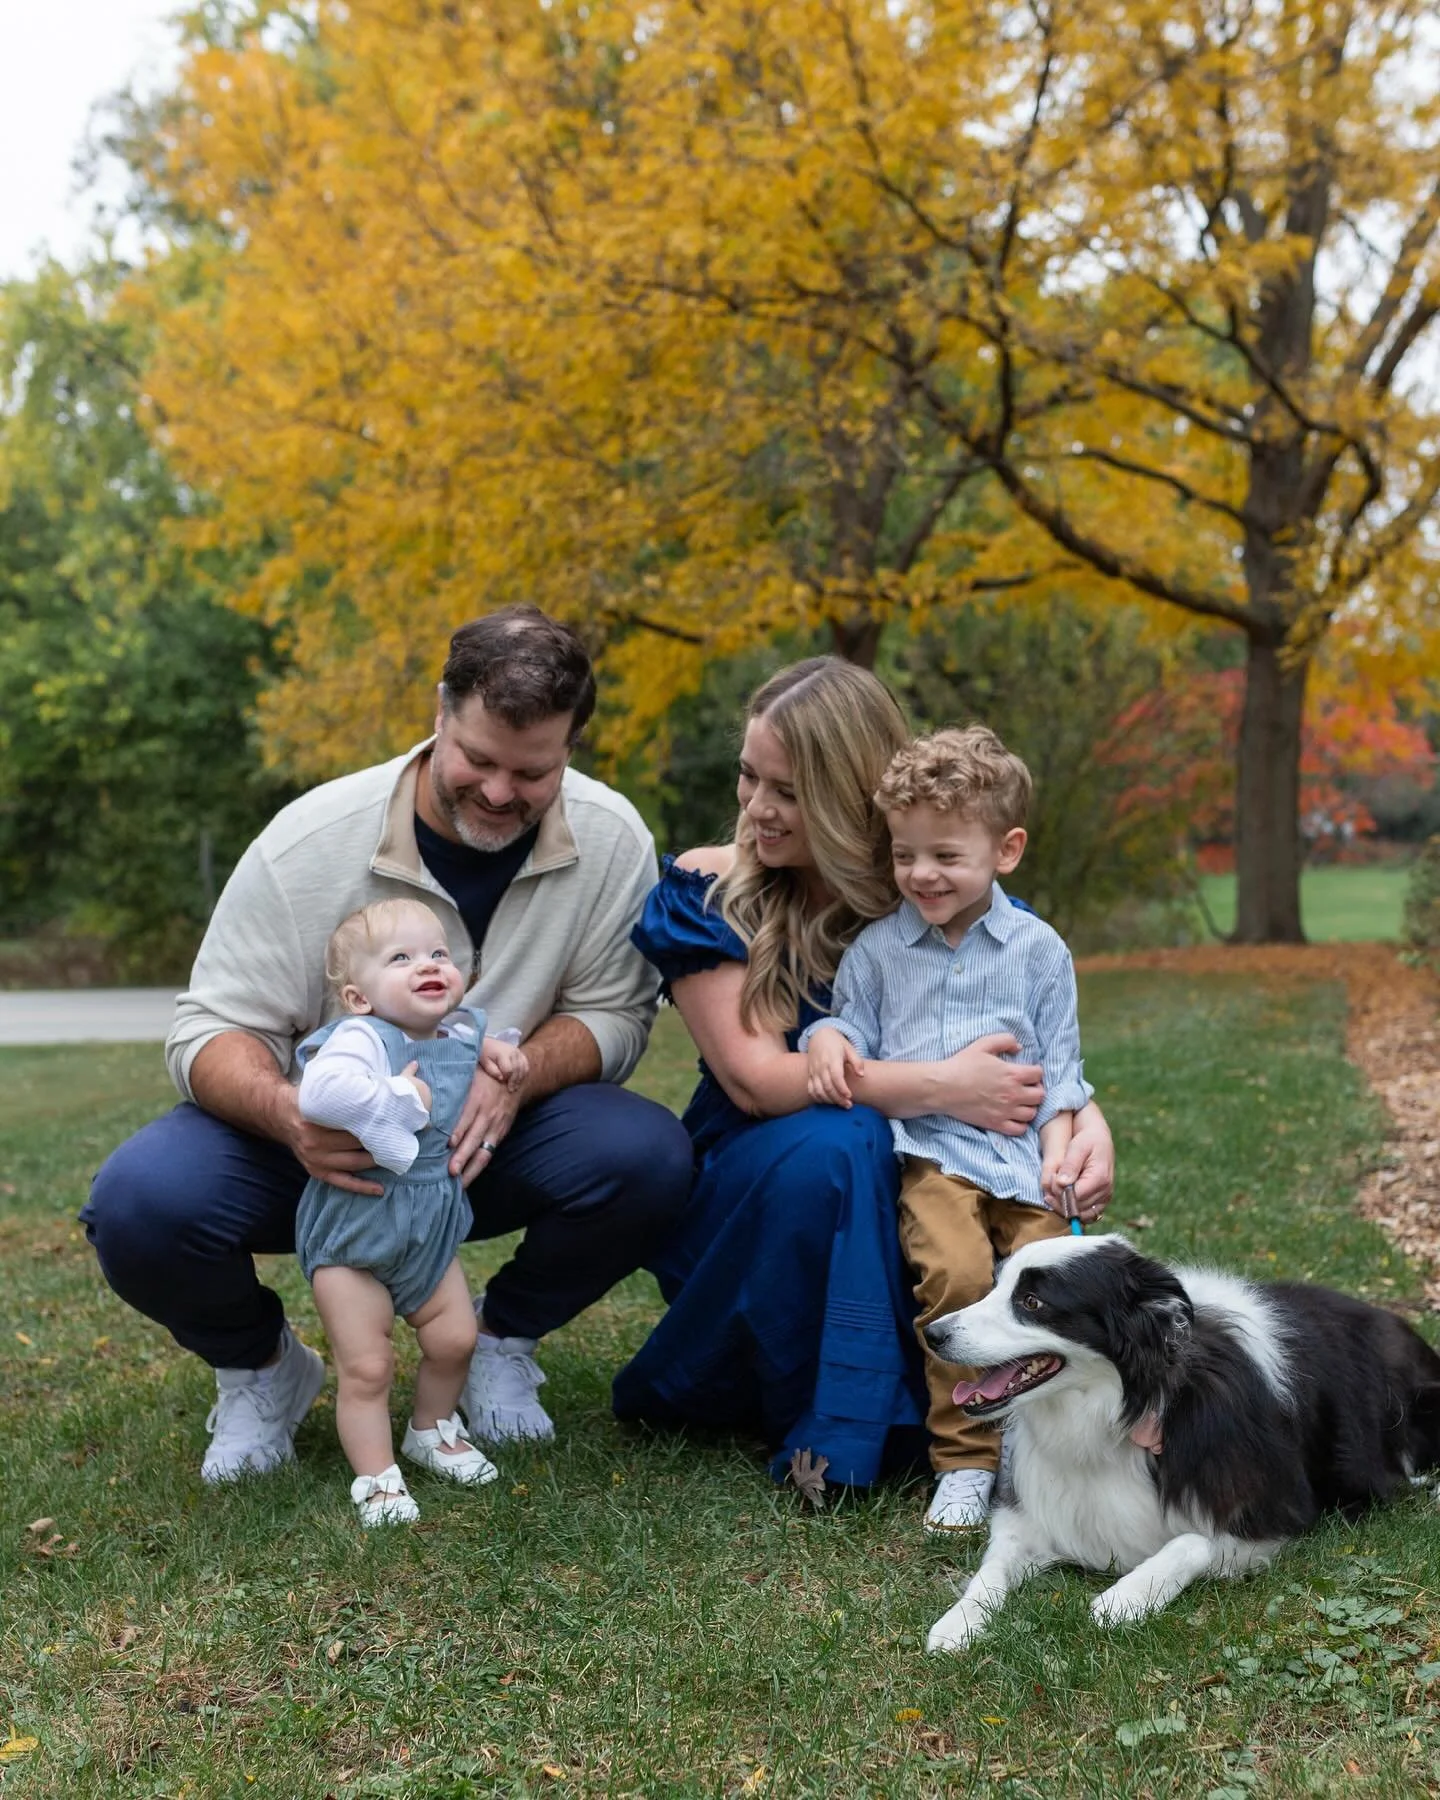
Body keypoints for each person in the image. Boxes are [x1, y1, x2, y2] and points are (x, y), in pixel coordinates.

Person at [83, 606, 693, 1485]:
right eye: (477, 759)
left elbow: (617, 1015)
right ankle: (263, 1369)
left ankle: (498, 1340)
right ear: (440, 714)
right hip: (326, 1154)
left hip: (480, 1151)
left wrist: (520, 1078)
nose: (497, 792)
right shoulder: (308, 842)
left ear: (571, 747)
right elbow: (209, 1029)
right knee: (141, 1200)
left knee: (647, 1153)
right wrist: (291, 1114)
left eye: (533, 772)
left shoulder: (612, 838)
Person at [611, 658, 1114, 1501]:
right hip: (765, 1189)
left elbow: (1033, 1038)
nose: (757, 808)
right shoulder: (713, 890)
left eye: (789, 791)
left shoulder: (936, 882)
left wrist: (1087, 1120)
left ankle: (987, 1425)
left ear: (852, 797)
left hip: (920, 1169)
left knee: (966, 1183)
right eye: (749, 776)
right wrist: (940, 1088)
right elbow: (757, 1081)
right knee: (845, 1140)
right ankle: (844, 1440)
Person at [804, 726, 1089, 1531]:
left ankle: (1054, 1451)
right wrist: (826, 1038)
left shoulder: (1039, 952)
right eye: (905, 854)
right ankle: (965, 1461)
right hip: (933, 1159)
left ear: (1007, 850)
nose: (921, 875)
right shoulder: (877, 951)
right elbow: (848, 1028)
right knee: (959, 1282)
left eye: (945, 856)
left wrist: (1062, 1158)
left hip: (1026, 1160)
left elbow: (1063, 1072)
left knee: (1054, 1295)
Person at [296, 898, 527, 1525]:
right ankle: (376, 1479)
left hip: (428, 1227)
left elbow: (473, 1055)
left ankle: (430, 1428)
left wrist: (500, 1057)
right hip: (356, 1230)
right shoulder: (359, 1039)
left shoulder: (457, 1032)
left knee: (455, 1339)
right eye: (400, 958)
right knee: (369, 1365)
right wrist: (403, 1094)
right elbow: (320, 1092)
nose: (427, 965)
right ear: (358, 997)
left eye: (437, 954)